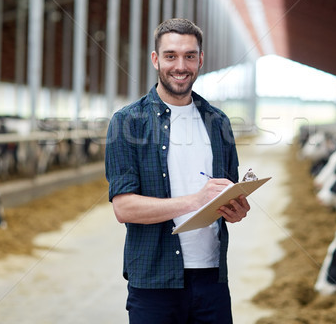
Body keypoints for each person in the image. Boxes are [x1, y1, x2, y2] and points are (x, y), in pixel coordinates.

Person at [105, 18, 250, 323]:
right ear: (156, 60)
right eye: (170, 56)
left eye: (189, 56)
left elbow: (227, 194)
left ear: (201, 60)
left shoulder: (219, 122)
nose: (180, 65)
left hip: (211, 278)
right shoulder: (128, 122)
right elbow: (124, 207)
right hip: (154, 281)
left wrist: (235, 208)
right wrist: (196, 200)